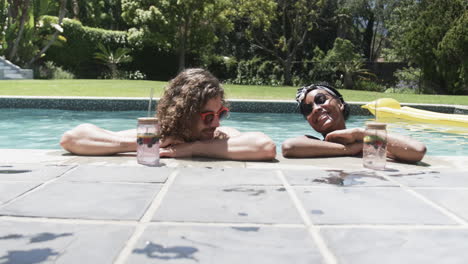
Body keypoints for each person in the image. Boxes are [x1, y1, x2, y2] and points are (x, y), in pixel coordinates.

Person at [60, 68, 276, 160]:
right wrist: (147, 144)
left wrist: (190, 149)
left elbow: (265, 147)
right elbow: (72, 138)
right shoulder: (161, 135)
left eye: (221, 113)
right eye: (207, 116)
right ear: (185, 113)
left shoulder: (221, 136)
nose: (216, 123)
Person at [281, 83, 426, 163]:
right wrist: (350, 149)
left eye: (320, 100)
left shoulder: (368, 143)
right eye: (308, 109)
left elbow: (417, 150)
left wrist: (359, 133)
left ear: (340, 103)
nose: (316, 108)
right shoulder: (314, 143)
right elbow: (289, 147)